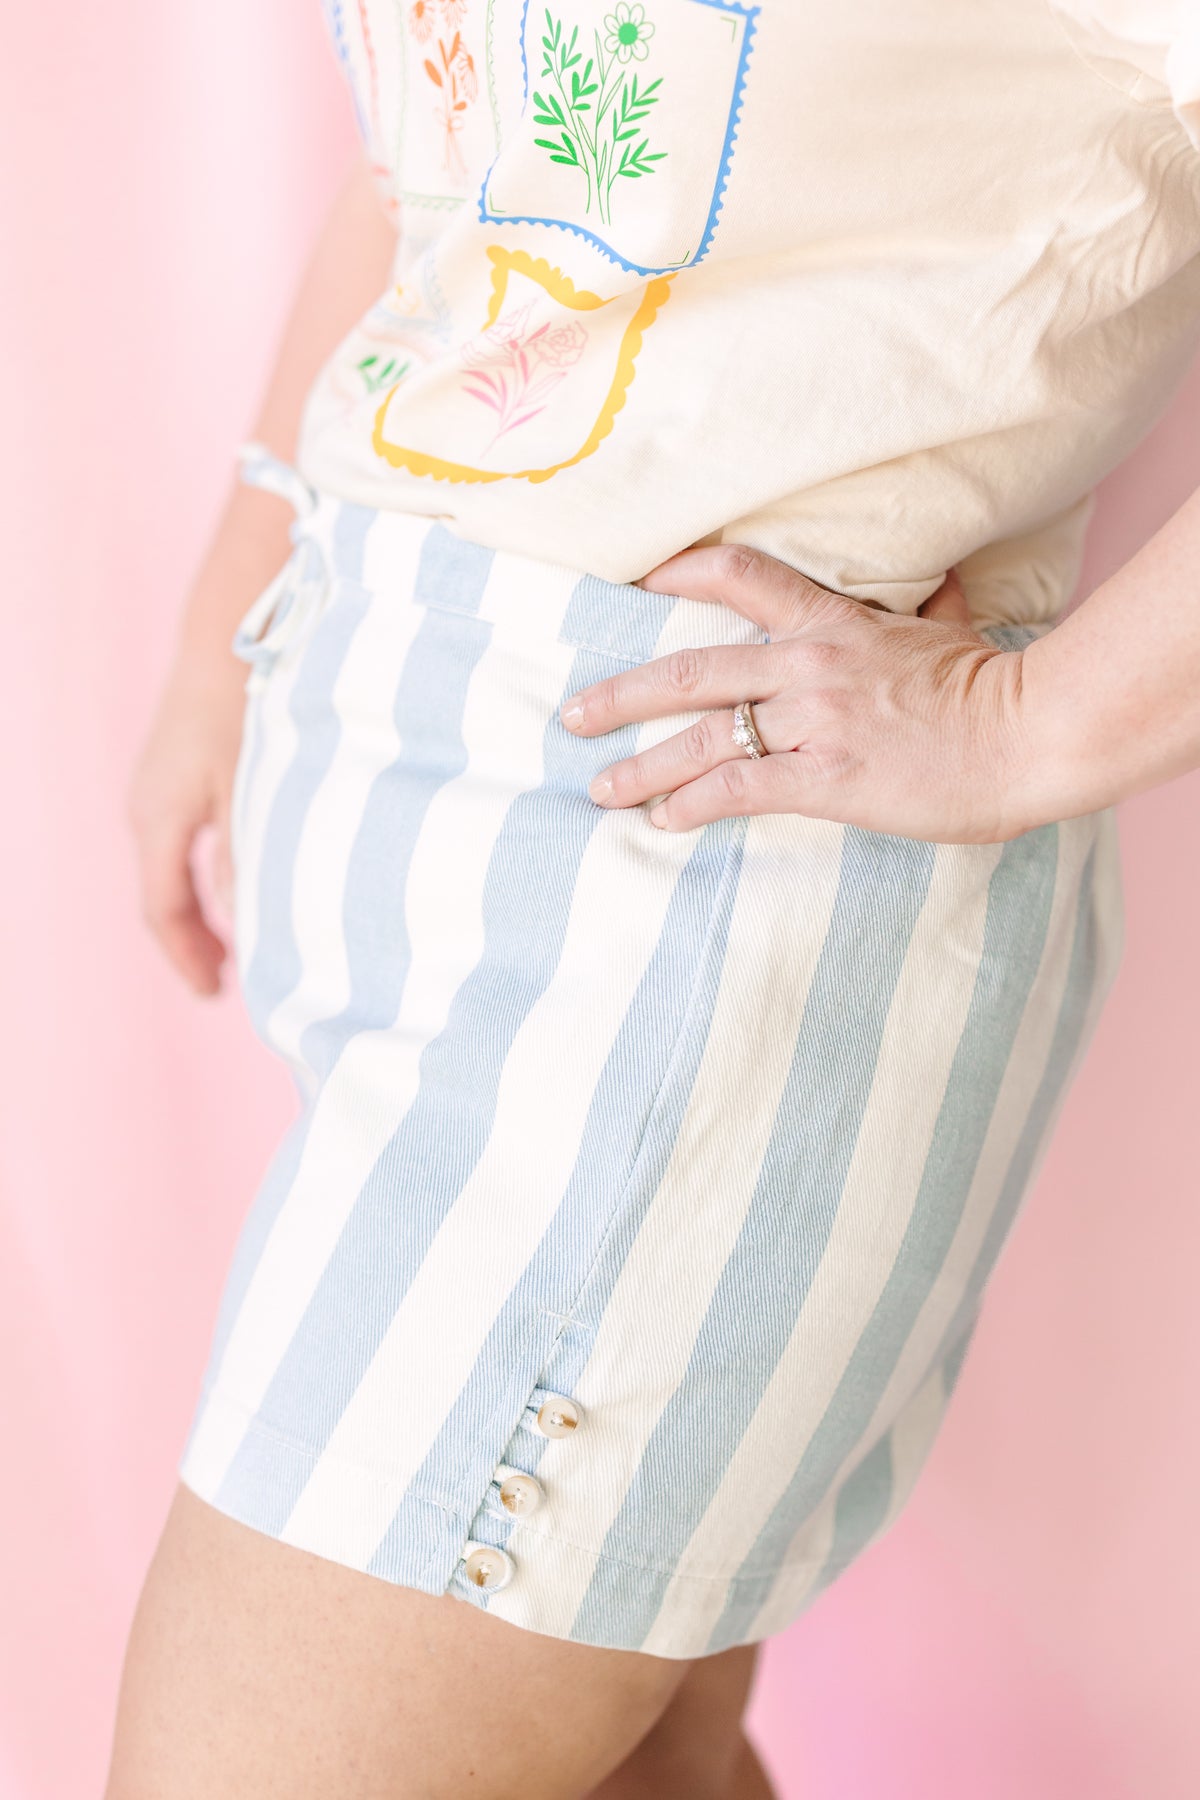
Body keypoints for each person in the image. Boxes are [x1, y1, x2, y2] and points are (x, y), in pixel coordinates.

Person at [106, 2, 1200, 1795]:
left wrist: (1029, 726)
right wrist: (232, 621)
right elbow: (446, 164)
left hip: (668, 923)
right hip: (435, 855)